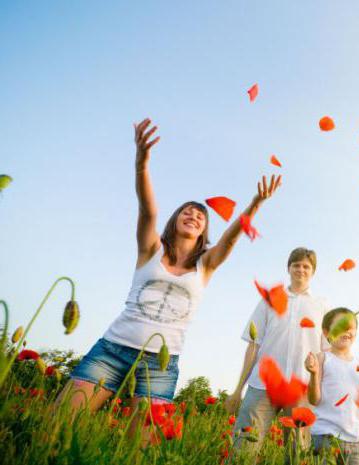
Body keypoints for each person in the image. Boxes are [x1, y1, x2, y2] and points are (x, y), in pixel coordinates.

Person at [58, 118, 282, 414]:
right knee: (60, 422)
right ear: (175, 220)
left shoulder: (207, 264)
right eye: (187, 212)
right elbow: (147, 209)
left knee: (141, 449)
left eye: (201, 216)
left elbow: (229, 240)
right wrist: (142, 164)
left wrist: (255, 204)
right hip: (113, 350)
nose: (194, 215)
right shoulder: (150, 248)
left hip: (161, 364)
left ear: (204, 231)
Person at [227, 247, 330, 447]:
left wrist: (318, 391)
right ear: (289, 268)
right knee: (243, 448)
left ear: (313, 271)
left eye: (306, 266)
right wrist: (238, 388)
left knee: (297, 452)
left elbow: (324, 353)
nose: (301, 269)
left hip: (301, 388)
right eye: (296, 265)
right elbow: (253, 346)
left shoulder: (322, 305)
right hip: (262, 386)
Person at [305, 307, 359, 465]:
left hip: (354, 440)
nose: (346, 330)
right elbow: (314, 400)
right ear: (326, 332)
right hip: (325, 436)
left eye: (350, 327)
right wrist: (313, 373)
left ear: (356, 332)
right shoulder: (322, 358)